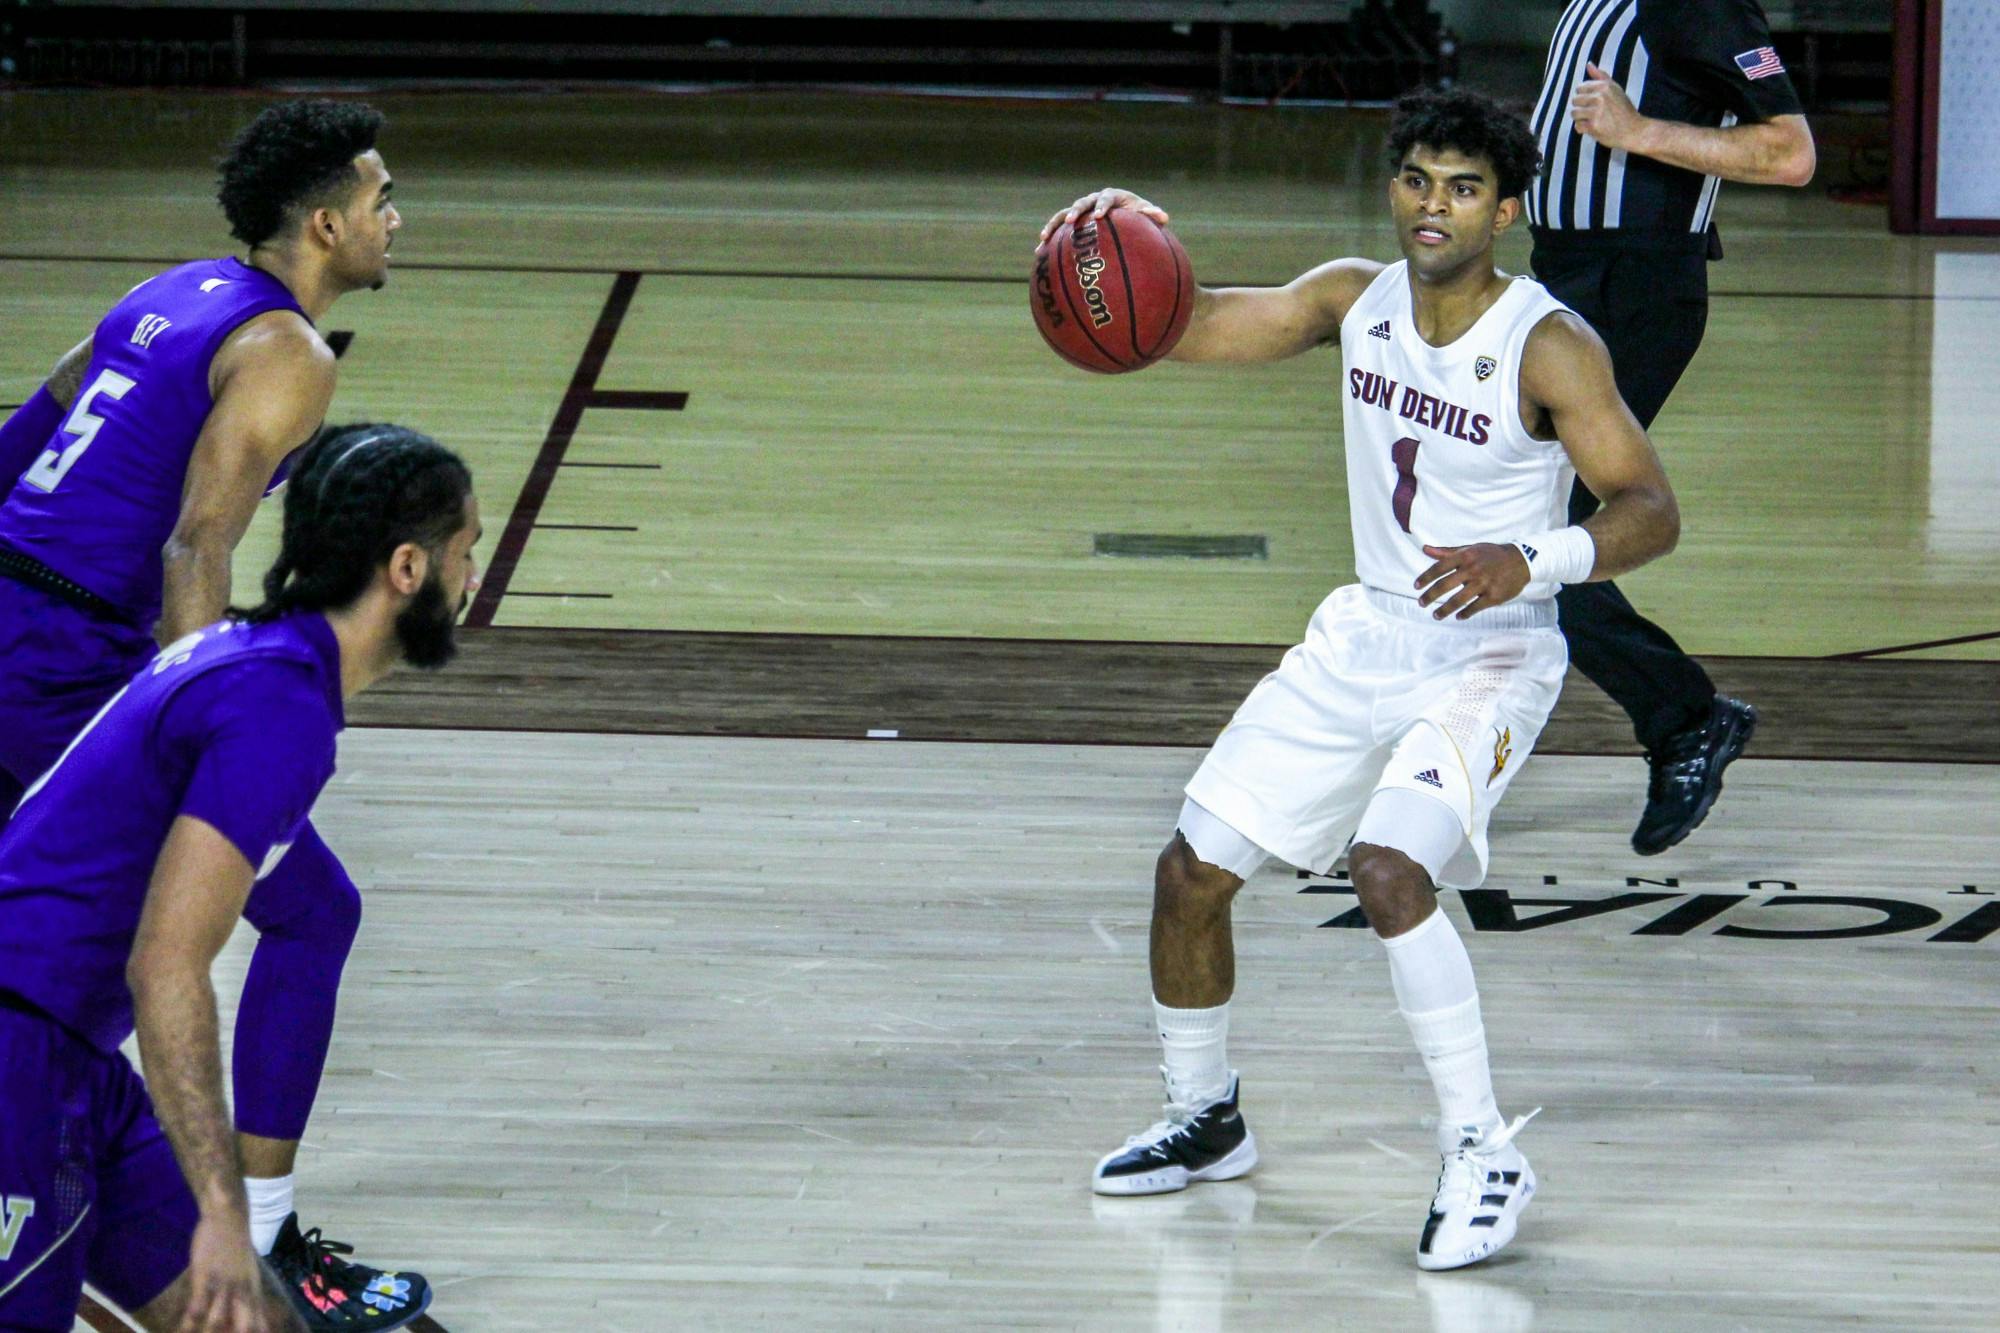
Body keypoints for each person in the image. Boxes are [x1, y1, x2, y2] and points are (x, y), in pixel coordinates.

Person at [1039, 87, 1681, 1270]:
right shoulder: (1352, 297)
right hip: (1362, 637)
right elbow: (1180, 322)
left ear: (1508, 209)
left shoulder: (1545, 342)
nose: (1434, 208)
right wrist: (1108, 267)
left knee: (1387, 868)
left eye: (1464, 188)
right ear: (1392, 187)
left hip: (1491, 651)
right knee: (1189, 871)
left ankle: (1482, 1150)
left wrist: (1528, 557)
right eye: (1417, 181)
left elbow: (1649, 509)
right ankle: (1205, 1114)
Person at [0, 101, 428, 1324]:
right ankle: (270, 1230)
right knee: (312, 915)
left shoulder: (166, 291)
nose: (396, 217)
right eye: (382, 196)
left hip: (10, 620)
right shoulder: (293, 352)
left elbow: (32, 427)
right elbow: (198, 541)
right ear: (328, 220)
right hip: (65, 663)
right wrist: (195, 718)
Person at [0, 424, 477, 1332]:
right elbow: (167, 965)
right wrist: (225, 1212)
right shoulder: (276, 705)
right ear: (408, 569)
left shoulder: (255, 665)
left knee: (258, 1323)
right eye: (467, 554)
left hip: (69, 1061)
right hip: (17, 1062)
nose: (474, 580)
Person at [1526, 0, 1815, 854]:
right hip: (1563, 281)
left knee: (1544, 538)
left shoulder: (1697, 3)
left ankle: (1684, 715)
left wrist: (1638, 130)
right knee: (1509, 522)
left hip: (1636, 289)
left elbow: (1791, 152)